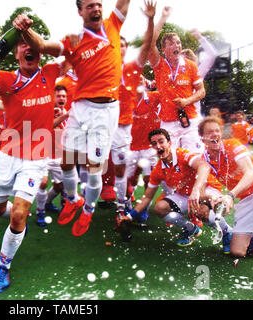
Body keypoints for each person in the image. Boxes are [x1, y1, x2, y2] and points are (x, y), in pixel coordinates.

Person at [13, 0, 132, 237]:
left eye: (98, 4)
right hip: (81, 107)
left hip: (106, 111)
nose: (96, 8)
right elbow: (43, 45)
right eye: (89, 6)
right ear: (80, 12)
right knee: (67, 161)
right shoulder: (73, 41)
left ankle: (88, 210)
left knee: (94, 168)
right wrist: (25, 29)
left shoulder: (113, 25)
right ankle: (73, 199)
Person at [0, 32, 63, 292]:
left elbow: (71, 52)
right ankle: (19, 224)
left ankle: (3, 266)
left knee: (17, 214)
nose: (29, 50)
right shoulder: (6, 80)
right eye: (23, 46)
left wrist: (31, 34)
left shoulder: (50, 73)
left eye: (34, 47)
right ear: (16, 53)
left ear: (40, 50)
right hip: (7, 156)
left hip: (36, 158)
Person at [198, 116, 253, 287]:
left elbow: (251, 174)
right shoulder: (205, 158)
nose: (214, 134)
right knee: (238, 251)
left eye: (217, 131)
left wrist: (230, 195)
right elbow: (202, 187)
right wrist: (215, 198)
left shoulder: (232, 145)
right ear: (202, 138)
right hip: (247, 198)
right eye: (209, 132)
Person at [123, 128, 233, 251]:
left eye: (161, 141)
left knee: (201, 212)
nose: (158, 146)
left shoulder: (182, 154)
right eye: (154, 144)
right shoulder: (158, 170)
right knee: (160, 208)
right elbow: (147, 197)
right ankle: (191, 229)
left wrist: (196, 191)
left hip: (207, 188)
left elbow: (204, 166)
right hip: (185, 195)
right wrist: (130, 216)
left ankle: (227, 232)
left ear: (169, 143)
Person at [113, 3, 155, 218]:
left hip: (122, 128)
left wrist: (150, 19)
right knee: (91, 167)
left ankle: (122, 205)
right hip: (101, 125)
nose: (119, 48)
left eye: (122, 46)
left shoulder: (132, 69)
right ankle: (76, 199)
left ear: (125, 49)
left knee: (122, 170)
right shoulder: (103, 68)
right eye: (115, 45)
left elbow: (147, 46)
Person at [147, 6, 206, 154]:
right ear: (164, 49)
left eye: (178, 43)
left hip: (190, 120)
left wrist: (187, 101)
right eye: (172, 43)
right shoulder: (159, 65)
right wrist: (163, 18)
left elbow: (201, 91)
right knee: (170, 160)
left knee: (195, 159)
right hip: (168, 123)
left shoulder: (190, 66)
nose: (177, 46)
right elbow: (150, 42)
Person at [124, 77, 161, 225]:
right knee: (129, 179)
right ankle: (126, 205)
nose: (137, 81)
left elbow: (168, 93)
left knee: (149, 179)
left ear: (145, 83)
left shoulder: (154, 97)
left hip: (148, 147)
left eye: (140, 79)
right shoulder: (126, 100)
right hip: (130, 147)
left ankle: (144, 208)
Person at [35, 84, 70, 226]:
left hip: (59, 155)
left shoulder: (68, 113)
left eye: (64, 96)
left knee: (61, 186)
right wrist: (64, 116)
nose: (61, 98)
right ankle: (40, 212)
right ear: (52, 98)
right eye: (58, 96)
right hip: (43, 154)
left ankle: (50, 204)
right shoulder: (45, 111)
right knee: (43, 183)